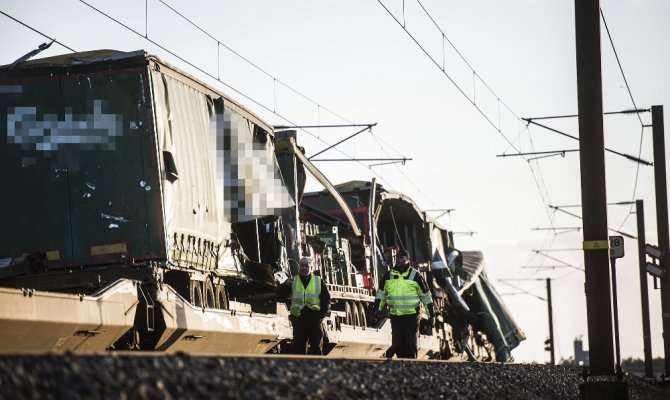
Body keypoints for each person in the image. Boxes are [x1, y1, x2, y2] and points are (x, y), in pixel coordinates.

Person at [374, 249, 434, 359]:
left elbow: (426, 297)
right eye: (397, 257)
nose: (398, 260)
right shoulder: (389, 275)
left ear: (407, 260)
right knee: (398, 344)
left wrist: (431, 316)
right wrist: (377, 309)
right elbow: (381, 294)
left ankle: (411, 365)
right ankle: (402, 366)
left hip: (411, 316)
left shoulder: (416, 276)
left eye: (401, 258)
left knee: (410, 343)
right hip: (395, 316)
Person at [276, 256, 330, 355]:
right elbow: (280, 293)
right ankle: (301, 369)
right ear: (299, 267)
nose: (304, 268)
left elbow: (326, 299)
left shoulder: (318, 281)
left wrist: (322, 315)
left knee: (316, 348)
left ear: (311, 268)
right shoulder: (293, 281)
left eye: (306, 266)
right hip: (299, 321)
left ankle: (317, 369)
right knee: (299, 349)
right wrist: (286, 285)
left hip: (314, 321)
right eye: (302, 265)